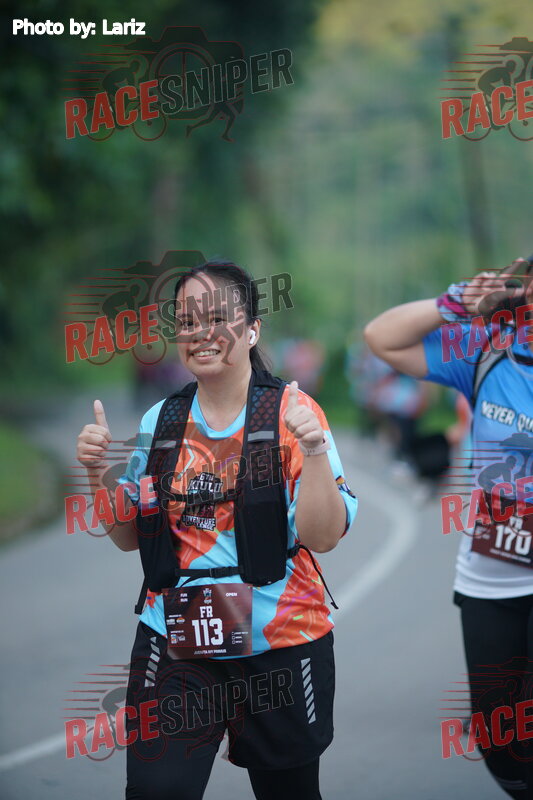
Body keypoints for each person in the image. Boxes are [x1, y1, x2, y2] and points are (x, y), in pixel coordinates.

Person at [76, 261, 358, 800]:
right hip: (177, 643)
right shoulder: (160, 422)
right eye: (186, 321)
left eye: (217, 318)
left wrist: (316, 450)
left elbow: (323, 536)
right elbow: (130, 536)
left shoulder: (294, 414)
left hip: (280, 643)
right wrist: (95, 473)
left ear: (251, 330)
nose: (200, 333)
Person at [364, 255, 533, 798]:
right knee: (499, 742)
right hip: (492, 573)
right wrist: (454, 303)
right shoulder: (488, 352)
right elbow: (382, 338)